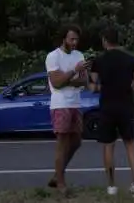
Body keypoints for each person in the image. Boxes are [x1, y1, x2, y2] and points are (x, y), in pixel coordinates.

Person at [89, 26, 134, 197]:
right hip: (125, 105)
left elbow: (92, 87)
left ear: (105, 41)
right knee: (130, 145)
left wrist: (96, 84)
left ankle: (111, 187)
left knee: (108, 146)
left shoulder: (98, 61)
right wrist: (127, 87)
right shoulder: (131, 59)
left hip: (107, 106)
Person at [45, 25, 89, 193]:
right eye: (71, 39)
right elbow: (56, 83)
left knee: (77, 141)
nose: (75, 42)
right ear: (64, 39)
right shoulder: (53, 56)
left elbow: (84, 81)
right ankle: (61, 184)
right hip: (60, 103)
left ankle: (57, 175)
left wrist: (67, 80)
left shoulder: (79, 55)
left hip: (76, 103)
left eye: (77, 39)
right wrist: (73, 72)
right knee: (62, 143)